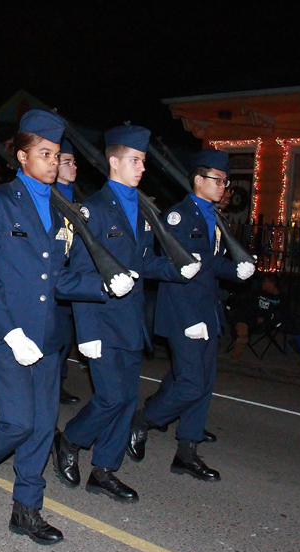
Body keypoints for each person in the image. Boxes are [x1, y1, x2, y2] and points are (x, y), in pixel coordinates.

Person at [0, 110, 132, 545]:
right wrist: (10, 332)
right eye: (44, 154)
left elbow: (58, 279)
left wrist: (102, 285)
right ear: (23, 157)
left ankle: (27, 509)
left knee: (44, 427)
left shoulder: (63, 209)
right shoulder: (0, 201)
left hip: (47, 335)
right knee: (16, 423)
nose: (53, 161)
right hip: (6, 334)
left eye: (56, 154)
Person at [52, 126, 201, 502]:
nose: (141, 168)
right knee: (112, 397)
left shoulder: (141, 209)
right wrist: (86, 333)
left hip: (131, 321)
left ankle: (104, 471)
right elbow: (80, 273)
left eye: (144, 161)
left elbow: (143, 262)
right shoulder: (95, 210)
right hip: (101, 319)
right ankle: (70, 440)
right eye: (135, 160)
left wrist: (176, 268)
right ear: (114, 162)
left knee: (127, 400)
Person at [127, 150, 254, 481]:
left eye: (225, 181)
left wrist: (235, 270)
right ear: (199, 180)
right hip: (184, 312)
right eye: (218, 180)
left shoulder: (213, 215)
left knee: (204, 382)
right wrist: (189, 319)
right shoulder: (179, 217)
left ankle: (187, 451)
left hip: (207, 309)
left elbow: (209, 263)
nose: (224, 186)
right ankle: (144, 420)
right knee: (191, 383)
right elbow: (176, 270)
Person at [55, 138, 81, 404]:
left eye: (74, 162)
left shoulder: (78, 199)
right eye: (67, 162)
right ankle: (52, 384)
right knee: (59, 335)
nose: (73, 167)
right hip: (56, 277)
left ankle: (59, 381)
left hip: (76, 276)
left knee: (68, 336)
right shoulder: (51, 199)